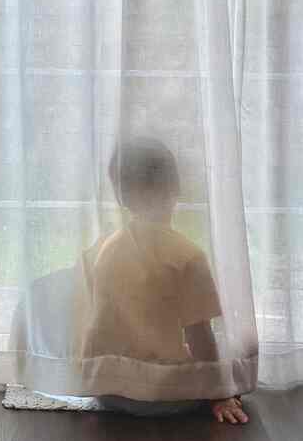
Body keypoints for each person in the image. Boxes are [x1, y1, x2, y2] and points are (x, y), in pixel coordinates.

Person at [80, 136, 248, 424]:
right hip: (162, 396)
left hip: (106, 390)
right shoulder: (187, 255)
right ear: (176, 187)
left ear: (121, 196)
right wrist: (218, 393)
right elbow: (200, 337)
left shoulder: (105, 249)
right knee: (234, 372)